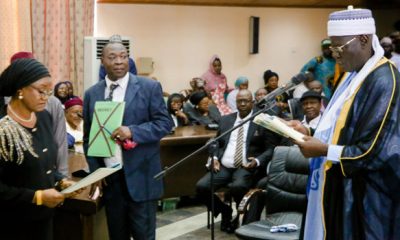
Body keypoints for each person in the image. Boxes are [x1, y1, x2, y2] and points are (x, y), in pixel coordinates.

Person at [291, 6, 400, 239]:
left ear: (363, 39)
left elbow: (373, 150)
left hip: (368, 197)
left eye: (339, 47)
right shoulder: (351, 74)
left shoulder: (383, 79)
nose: (335, 55)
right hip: (339, 185)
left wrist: (323, 149)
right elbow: (342, 126)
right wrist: (308, 130)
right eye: (332, 47)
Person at [83, 39, 172, 240]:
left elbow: (164, 124)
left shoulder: (149, 87)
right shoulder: (92, 94)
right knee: (117, 235)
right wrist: (96, 172)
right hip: (111, 180)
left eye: (123, 56)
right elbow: (89, 137)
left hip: (141, 177)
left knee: (143, 236)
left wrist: (132, 131)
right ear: (102, 61)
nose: (119, 62)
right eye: (112, 57)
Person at [0, 58, 76, 240]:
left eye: (49, 92)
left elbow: (44, 164)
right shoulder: (3, 128)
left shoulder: (44, 118)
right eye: (41, 91)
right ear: (20, 90)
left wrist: (60, 181)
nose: (46, 97)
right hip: (12, 223)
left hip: (44, 219)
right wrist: (37, 197)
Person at [196, 89, 280, 233]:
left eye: (245, 101)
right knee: (202, 186)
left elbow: (271, 148)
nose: (242, 104)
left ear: (252, 102)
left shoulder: (261, 120)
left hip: (245, 166)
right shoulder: (226, 120)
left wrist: (258, 161)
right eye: (239, 101)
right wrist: (214, 157)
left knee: (238, 186)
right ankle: (225, 210)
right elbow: (216, 143)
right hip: (224, 165)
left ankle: (242, 216)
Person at [8, 51, 69, 177]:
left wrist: (62, 176)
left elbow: (60, 141)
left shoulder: (52, 104)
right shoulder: (5, 104)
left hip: (47, 175)